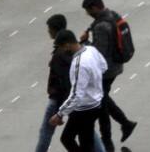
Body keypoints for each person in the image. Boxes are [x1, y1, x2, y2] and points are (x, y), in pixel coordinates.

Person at [38, 16, 106, 152]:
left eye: (62, 47)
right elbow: (103, 66)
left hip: (85, 108)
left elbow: (76, 94)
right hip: (96, 102)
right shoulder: (91, 50)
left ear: (68, 44)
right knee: (70, 138)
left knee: (83, 142)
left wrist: (59, 114)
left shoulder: (78, 63)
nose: (62, 51)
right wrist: (93, 85)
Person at [80, 0, 137, 149]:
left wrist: (84, 41)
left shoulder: (100, 26)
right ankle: (125, 124)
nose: (88, 14)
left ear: (95, 7)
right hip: (117, 65)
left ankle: (108, 141)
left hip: (106, 70)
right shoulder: (112, 15)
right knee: (103, 99)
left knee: (101, 105)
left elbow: (98, 53)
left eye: (89, 11)